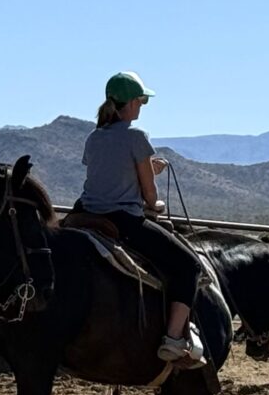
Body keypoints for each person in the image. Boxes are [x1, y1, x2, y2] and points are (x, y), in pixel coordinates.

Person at [79, 71, 205, 364]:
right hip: (122, 219)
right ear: (133, 102)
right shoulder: (137, 137)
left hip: (85, 213)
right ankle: (174, 339)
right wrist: (155, 200)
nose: (142, 106)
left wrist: (145, 168)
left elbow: (109, 174)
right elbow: (149, 196)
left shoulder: (94, 137)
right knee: (189, 266)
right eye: (142, 101)